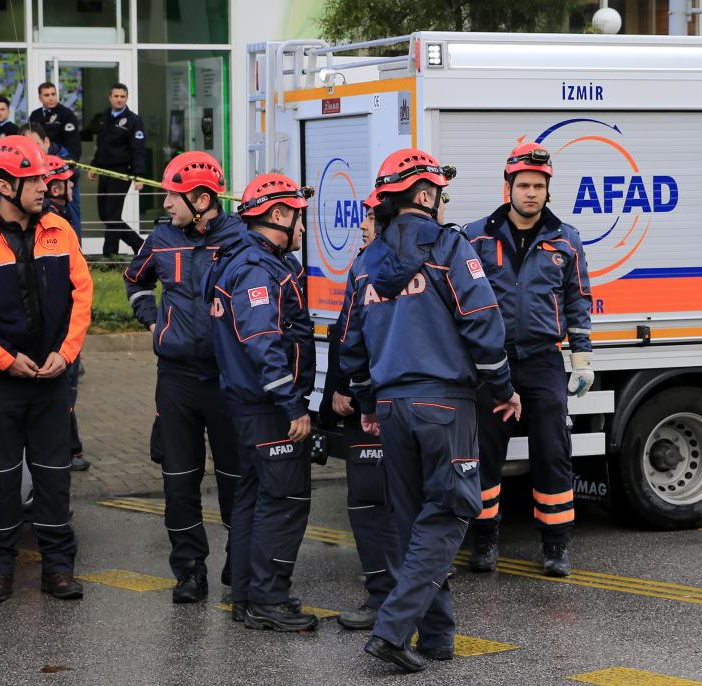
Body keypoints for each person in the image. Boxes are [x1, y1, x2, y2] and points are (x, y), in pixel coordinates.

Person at [340, 148, 520, 672]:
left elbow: (350, 341)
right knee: (447, 516)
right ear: (424, 194)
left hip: (393, 408)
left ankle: (437, 636)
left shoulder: (365, 263)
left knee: (413, 519)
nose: (442, 201)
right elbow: (484, 321)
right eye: (438, 191)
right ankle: (393, 631)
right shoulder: (450, 247)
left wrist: (369, 401)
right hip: (444, 405)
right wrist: (503, 386)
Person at [0, 135, 92, 604]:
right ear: (5, 185)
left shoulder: (60, 228)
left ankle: (59, 569)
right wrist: (5, 359)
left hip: (51, 379)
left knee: (54, 479)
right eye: (34, 179)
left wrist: (65, 355)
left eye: (45, 177)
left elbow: (82, 294)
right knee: (1, 480)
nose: (44, 186)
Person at [463, 142, 594, 577]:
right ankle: (484, 540)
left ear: (548, 190)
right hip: (492, 363)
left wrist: (582, 359)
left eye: (539, 185)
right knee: (485, 451)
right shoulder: (476, 237)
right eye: (524, 185)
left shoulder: (566, 240)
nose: (532, 193)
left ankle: (556, 546)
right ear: (509, 187)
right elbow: (459, 301)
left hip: (542, 362)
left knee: (552, 449)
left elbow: (578, 301)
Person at [123, 151, 244, 603]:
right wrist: (152, 319)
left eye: (172, 195)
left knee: (235, 475)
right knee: (179, 478)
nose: (166, 203)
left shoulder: (239, 239)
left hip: (227, 378)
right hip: (175, 377)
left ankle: (240, 557)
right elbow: (134, 280)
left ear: (200, 197)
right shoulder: (160, 237)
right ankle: (190, 569)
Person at [205, 173, 317, 632]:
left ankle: (249, 597)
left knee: (254, 500)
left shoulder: (244, 259)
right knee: (284, 500)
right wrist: (291, 405)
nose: (304, 230)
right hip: (266, 407)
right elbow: (262, 339)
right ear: (277, 215)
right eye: (299, 218)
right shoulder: (256, 268)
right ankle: (268, 599)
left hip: (248, 405)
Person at [319, 189, 399, 631]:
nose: (362, 225)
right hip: (366, 400)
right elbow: (345, 333)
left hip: (385, 402)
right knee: (370, 500)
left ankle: (392, 597)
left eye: (369, 217)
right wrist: (338, 390)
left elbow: (367, 336)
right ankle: (387, 593)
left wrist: (356, 389)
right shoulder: (364, 263)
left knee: (381, 501)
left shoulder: (387, 265)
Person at [41, 153, 89, 474]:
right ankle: (67, 450)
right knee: (63, 389)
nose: (71, 185)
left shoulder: (64, 214)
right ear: (54, 186)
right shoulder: (53, 221)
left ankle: (70, 447)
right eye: (66, 181)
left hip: (68, 318)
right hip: (59, 322)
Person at [87, 83, 146, 256]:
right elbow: (101, 145)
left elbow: (138, 149)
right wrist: (94, 166)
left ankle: (110, 255)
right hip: (105, 171)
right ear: (110, 97)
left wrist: (139, 175)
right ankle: (139, 243)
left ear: (126, 98)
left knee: (112, 214)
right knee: (104, 214)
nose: (119, 99)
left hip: (122, 172)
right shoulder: (104, 117)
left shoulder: (134, 120)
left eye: (122, 96)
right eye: (116, 96)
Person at [23, 123, 81, 237]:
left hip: (65, 225)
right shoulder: (24, 165)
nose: (33, 151)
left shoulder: (61, 159)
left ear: (46, 142)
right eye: (27, 147)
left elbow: (75, 172)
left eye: (36, 145)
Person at [29, 82, 81, 162]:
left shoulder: (66, 114)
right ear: (40, 98)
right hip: (39, 159)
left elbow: (73, 141)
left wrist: (72, 159)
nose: (51, 98)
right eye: (46, 95)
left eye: (53, 94)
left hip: (61, 160)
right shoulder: (35, 115)